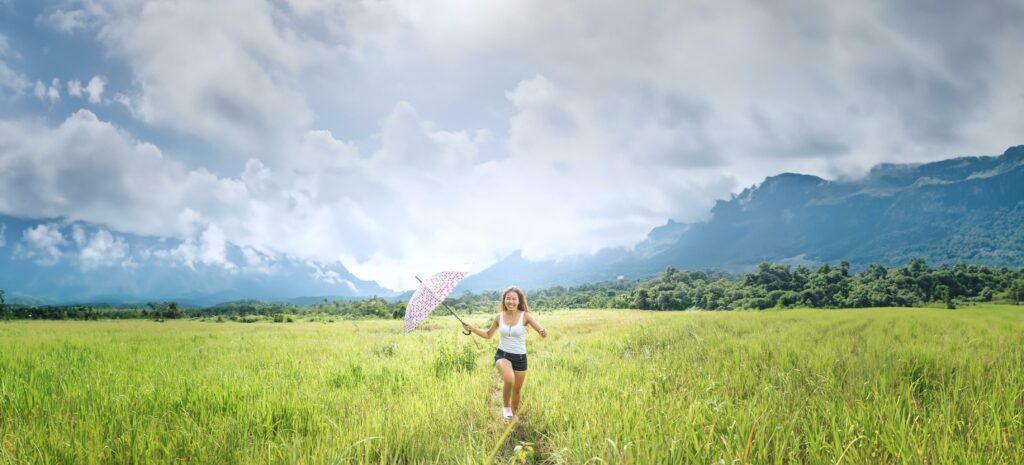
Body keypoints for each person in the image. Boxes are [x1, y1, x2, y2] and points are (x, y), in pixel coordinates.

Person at [462, 285, 548, 420]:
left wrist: (543, 332)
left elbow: (541, 330)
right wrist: (471, 328)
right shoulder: (499, 317)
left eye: (514, 299)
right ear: (504, 301)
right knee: (509, 380)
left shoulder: (525, 316)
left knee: (517, 390)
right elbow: (488, 334)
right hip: (503, 355)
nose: (511, 302)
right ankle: (506, 408)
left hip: (520, 357)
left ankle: (513, 414)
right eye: (508, 298)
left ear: (519, 301)